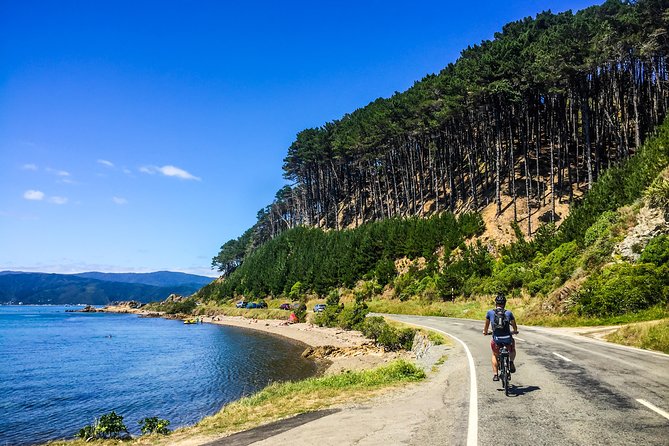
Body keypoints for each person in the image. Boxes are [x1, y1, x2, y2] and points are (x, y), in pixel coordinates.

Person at [483, 293, 518, 381]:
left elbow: (486, 325)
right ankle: (511, 362)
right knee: (512, 349)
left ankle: (495, 375)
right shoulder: (509, 313)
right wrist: (515, 330)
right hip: (507, 338)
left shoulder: (490, 312)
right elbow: (514, 325)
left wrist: (485, 332)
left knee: (495, 354)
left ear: (496, 303)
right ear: (504, 304)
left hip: (497, 339)